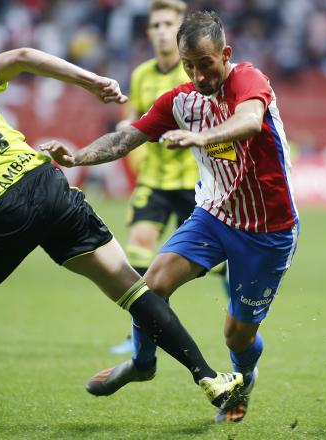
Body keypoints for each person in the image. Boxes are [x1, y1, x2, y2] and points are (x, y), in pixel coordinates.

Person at [0, 48, 244, 433]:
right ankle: (209, 377)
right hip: (45, 182)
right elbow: (25, 55)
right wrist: (90, 81)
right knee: (131, 286)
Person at [41, 11, 299, 424]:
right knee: (152, 284)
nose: (197, 75)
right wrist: (77, 157)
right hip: (214, 216)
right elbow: (127, 137)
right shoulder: (181, 101)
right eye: (188, 65)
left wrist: (202, 137)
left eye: (205, 63)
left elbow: (250, 122)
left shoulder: (250, 79)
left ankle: (243, 377)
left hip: (268, 230)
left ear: (225, 54)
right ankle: (143, 363)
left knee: (237, 334)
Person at [108, 0, 228, 356]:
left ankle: (238, 317)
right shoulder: (142, 73)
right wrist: (126, 125)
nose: (161, 31)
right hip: (155, 180)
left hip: (196, 182)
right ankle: (143, 332)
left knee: (221, 263)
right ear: (149, 31)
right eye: (156, 24)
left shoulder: (195, 72)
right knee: (139, 247)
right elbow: (133, 116)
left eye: (168, 24)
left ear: (179, 32)